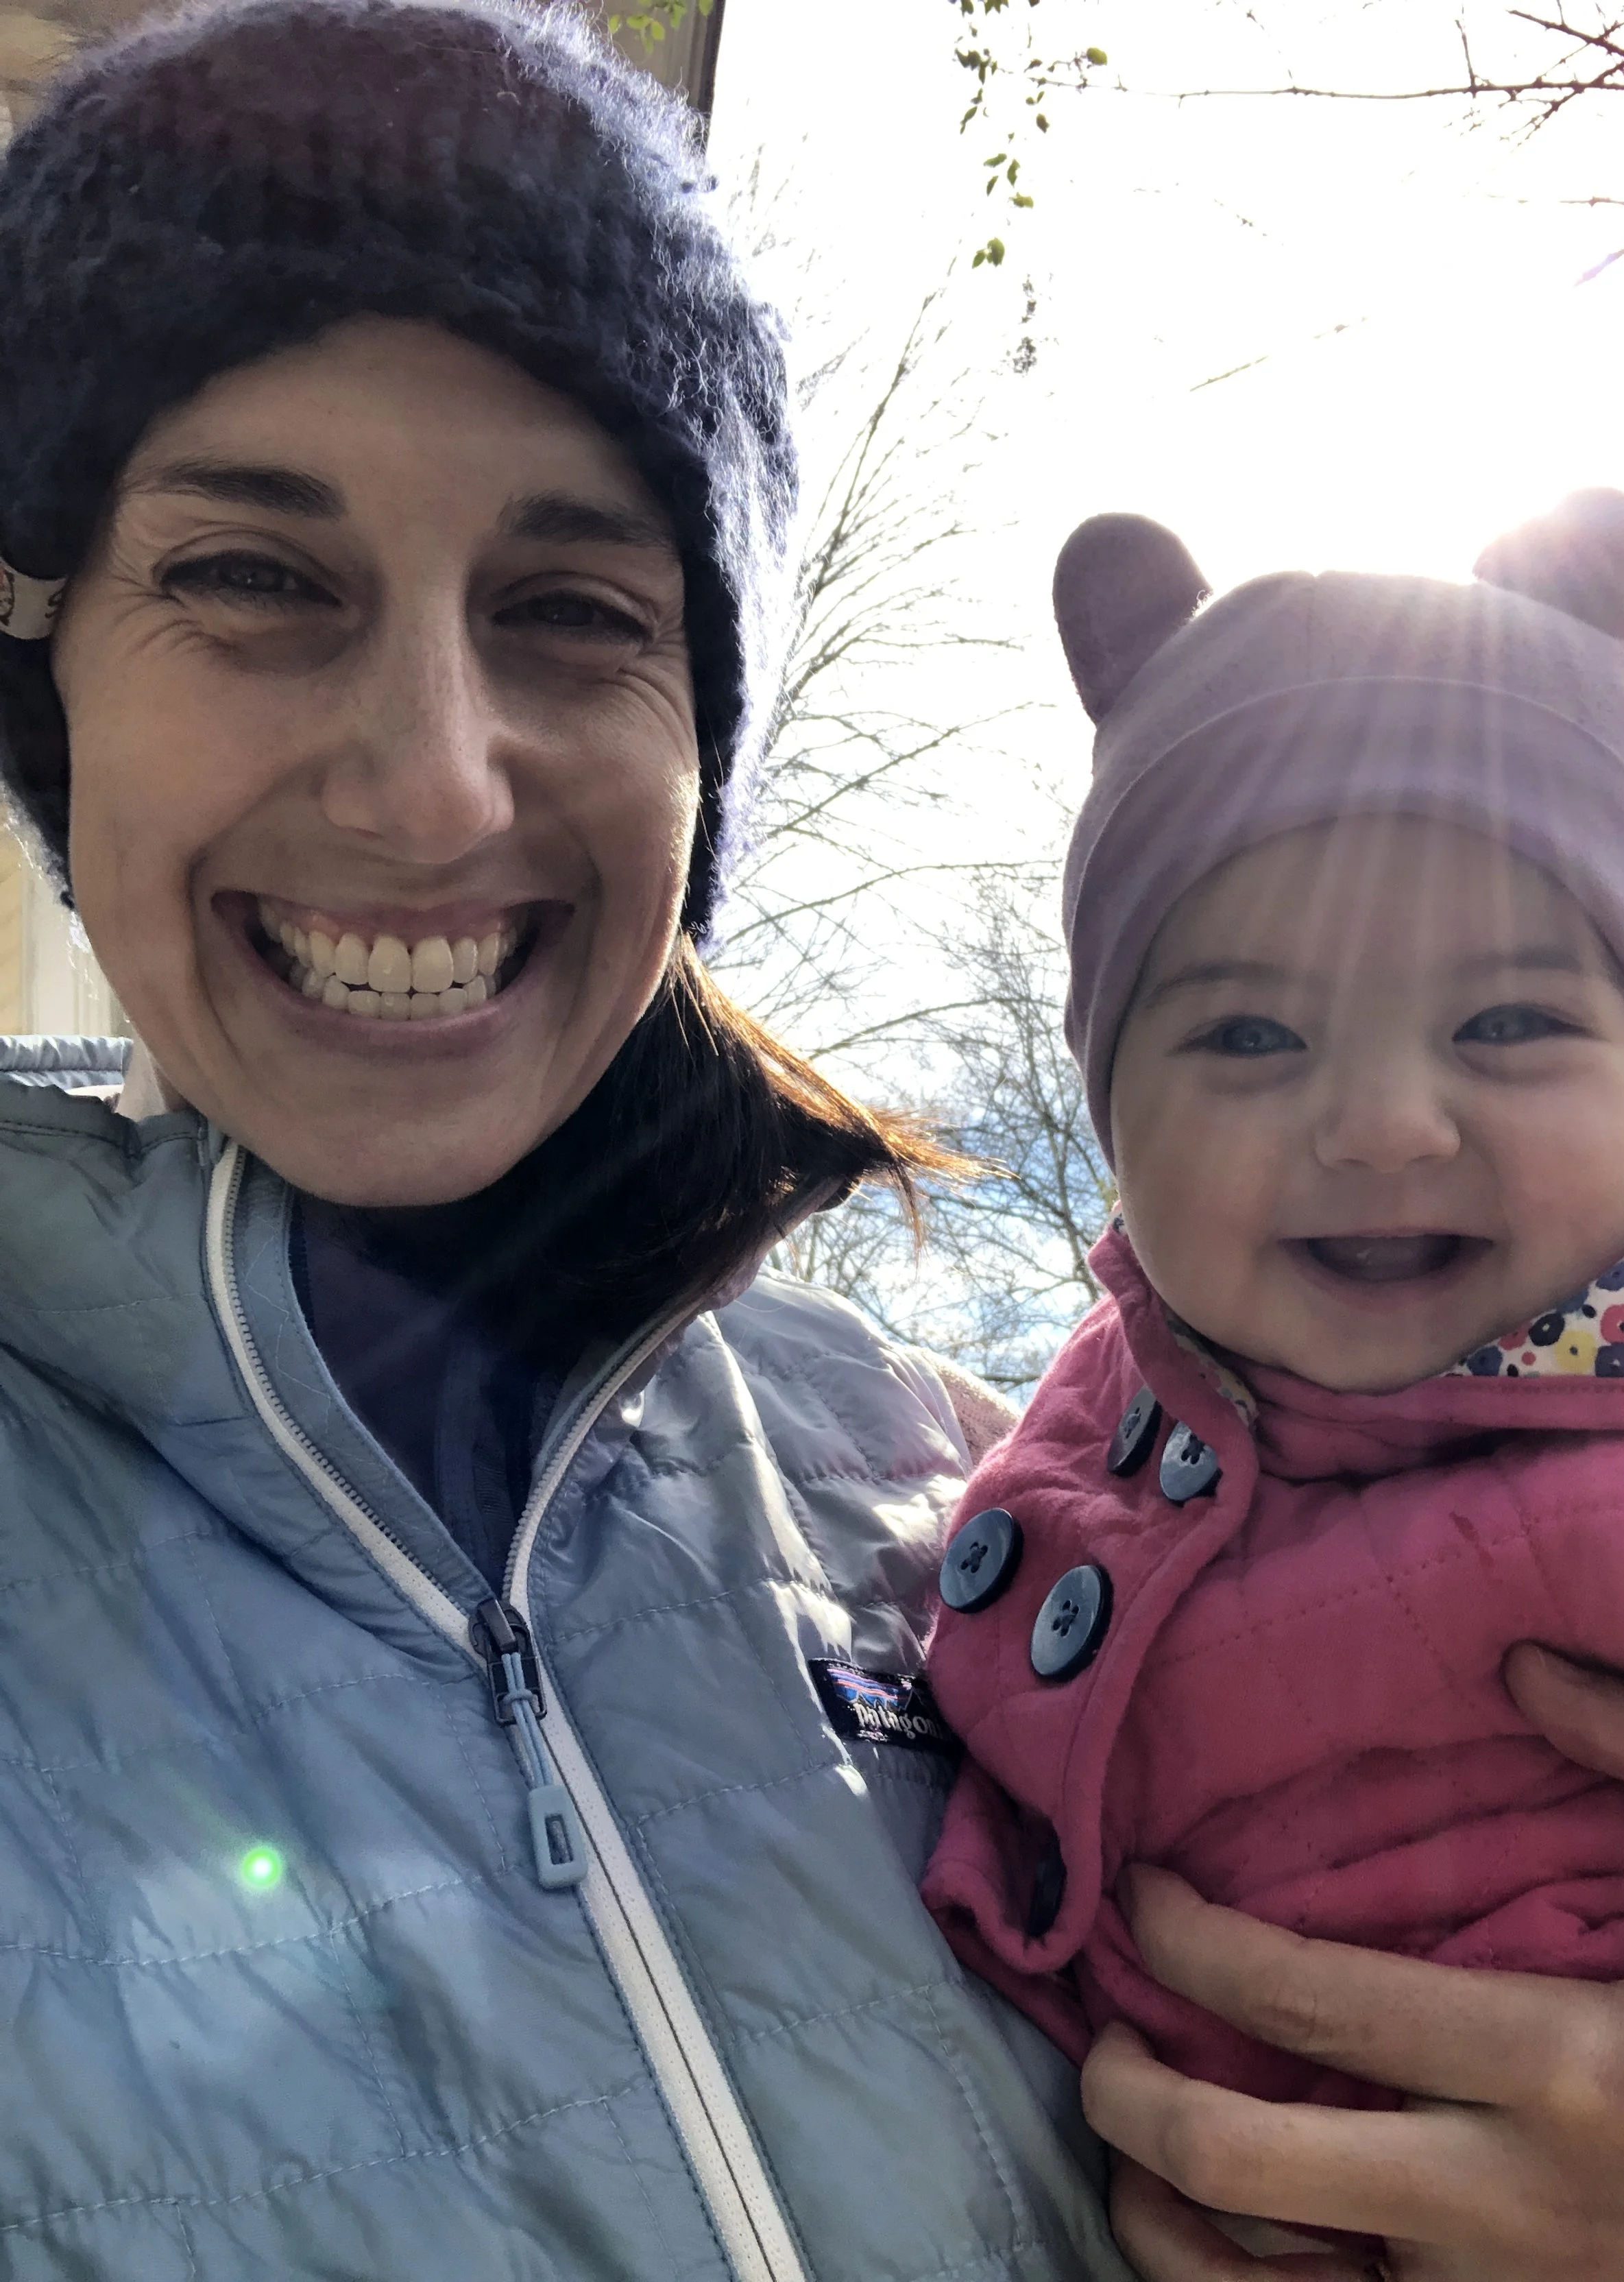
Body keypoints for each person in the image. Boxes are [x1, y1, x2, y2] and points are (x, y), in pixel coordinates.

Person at [0, 3, 1136, 2272]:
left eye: (572, 610)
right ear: (52, 685)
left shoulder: (975, 1518)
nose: (432, 782)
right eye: (252, 578)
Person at [920, 493, 1624, 2271]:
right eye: (1248, 1034)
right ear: (1110, 1117)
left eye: (1506, 1023)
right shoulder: (1084, 1418)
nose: (1379, 1123)